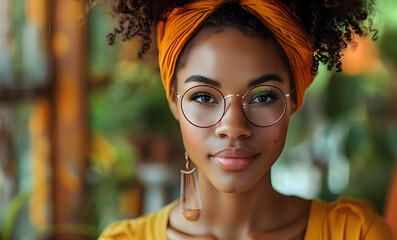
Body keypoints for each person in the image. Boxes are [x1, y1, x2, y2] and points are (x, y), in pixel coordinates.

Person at [96, 0, 393, 239]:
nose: (233, 127)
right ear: (174, 100)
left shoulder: (355, 234)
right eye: (203, 97)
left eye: (263, 97)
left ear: (293, 100)